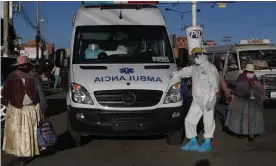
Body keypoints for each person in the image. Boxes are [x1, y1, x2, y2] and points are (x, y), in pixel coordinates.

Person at [1, 56, 48, 165]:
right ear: (17, 66)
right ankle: (22, 154)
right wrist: (13, 99)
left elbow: (41, 94)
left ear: (29, 65)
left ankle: (28, 152)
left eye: (25, 65)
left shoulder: (35, 77)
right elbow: (5, 92)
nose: (23, 66)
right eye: (20, 65)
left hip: (31, 109)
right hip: (16, 110)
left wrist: (43, 108)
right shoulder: (12, 76)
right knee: (19, 133)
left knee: (30, 132)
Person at [172, 47, 219, 152]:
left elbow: (214, 85)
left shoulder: (210, 68)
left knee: (208, 121)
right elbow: (182, 73)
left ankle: (207, 142)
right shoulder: (194, 68)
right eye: (194, 55)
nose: (194, 58)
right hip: (196, 99)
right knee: (189, 120)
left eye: (196, 55)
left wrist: (211, 100)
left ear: (202, 55)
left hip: (207, 99)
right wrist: (173, 74)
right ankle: (192, 141)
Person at [225, 64, 265, 142]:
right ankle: (243, 132)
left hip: (254, 101)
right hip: (243, 100)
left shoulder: (254, 78)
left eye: (252, 71)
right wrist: (247, 93)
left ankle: (251, 133)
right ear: (246, 71)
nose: (251, 73)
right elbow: (238, 90)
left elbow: (259, 88)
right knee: (243, 117)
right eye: (250, 71)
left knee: (253, 117)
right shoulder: (241, 79)